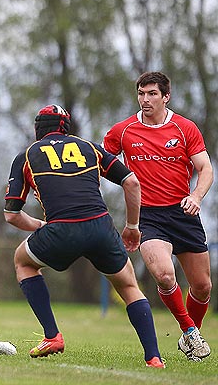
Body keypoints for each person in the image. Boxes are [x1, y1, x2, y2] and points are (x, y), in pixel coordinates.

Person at [4, 104, 164, 368]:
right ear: (67, 127)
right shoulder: (89, 147)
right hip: (100, 227)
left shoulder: (28, 155)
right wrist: (133, 226)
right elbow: (132, 182)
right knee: (129, 287)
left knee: (23, 261)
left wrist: (41, 225)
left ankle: (52, 335)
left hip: (61, 230)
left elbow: (11, 215)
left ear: (37, 128)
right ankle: (154, 357)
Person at [103, 71, 213, 362]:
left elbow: (205, 169)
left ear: (166, 96)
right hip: (148, 216)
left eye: (152, 93)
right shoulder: (123, 130)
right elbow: (101, 163)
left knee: (202, 287)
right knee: (164, 275)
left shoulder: (185, 127)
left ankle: (191, 334)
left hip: (183, 213)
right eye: (141, 93)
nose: (145, 99)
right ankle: (190, 331)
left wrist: (196, 197)